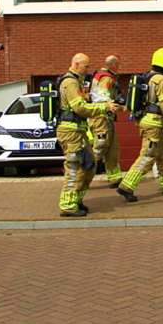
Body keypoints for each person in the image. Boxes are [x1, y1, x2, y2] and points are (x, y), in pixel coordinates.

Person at [116, 48, 163, 202]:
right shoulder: (162, 80)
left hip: (147, 121)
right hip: (153, 123)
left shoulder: (148, 77)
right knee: (148, 155)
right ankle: (126, 186)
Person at [56, 53, 120, 217]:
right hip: (71, 133)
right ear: (76, 64)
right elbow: (80, 108)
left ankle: (76, 199)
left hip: (78, 131)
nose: (88, 69)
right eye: (86, 66)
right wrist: (103, 107)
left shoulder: (76, 81)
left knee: (89, 165)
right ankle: (68, 205)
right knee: (75, 168)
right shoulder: (70, 82)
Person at [89, 55, 124, 188]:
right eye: (118, 64)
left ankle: (114, 179)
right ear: (114, 65)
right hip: (101, 117)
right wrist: (121, 107)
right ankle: (82, 176)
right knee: (100, 147)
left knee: (112, 149)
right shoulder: (106, 78)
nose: (119, 67)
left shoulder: (103, 76)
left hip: (106, 117)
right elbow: (102, 98)